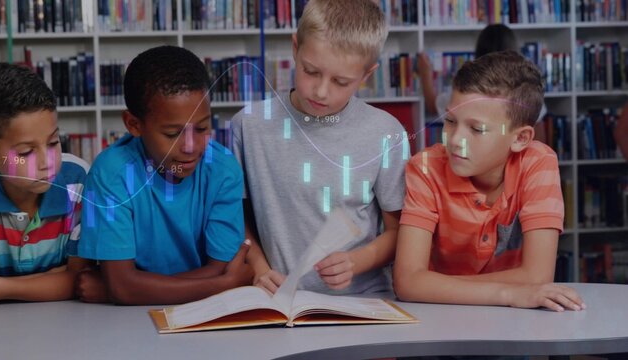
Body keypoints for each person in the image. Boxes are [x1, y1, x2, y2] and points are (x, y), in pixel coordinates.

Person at [232, 0, 408, 295]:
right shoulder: (248, 127)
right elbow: (235, 218)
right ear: (295, 48)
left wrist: (356, 261)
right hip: (276, 300)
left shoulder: (387, 133)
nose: (322, 91)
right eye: (310, 71)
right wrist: (259, 268)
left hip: (362, 302)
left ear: (367, 75)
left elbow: (400, 233)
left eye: (341, 81)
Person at [394, 51, 585, 312]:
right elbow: (408, 283)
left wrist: (437, 285)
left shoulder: (538, 163)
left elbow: (537, 278)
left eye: (477, 129)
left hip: (511, 318)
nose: (455, 139)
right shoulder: (425, 168)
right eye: (450, 121)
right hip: (441, 317)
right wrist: (509, 292)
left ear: (520, 139)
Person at [75, 46, 253, 305]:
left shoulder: (223, 170)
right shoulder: (111, 174)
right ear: (134, 125)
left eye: (202, 128)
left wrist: (126, 288)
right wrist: (224, 286)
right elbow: (124, 286)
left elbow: (123, 287)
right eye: (173, 134)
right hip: (124, 327)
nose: (191, 146)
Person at [0, 63, 89, 304]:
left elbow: (82, 281)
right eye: (26, 152)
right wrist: (53, 280)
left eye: (53, 143)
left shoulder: (78, 182)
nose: (48, 162)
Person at [417, 24, 547, 142]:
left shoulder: (467, 92)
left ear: (479, 54)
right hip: (520, 163)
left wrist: (425, 73)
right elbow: (540, 140)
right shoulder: (526, 89)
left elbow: (432, 105)